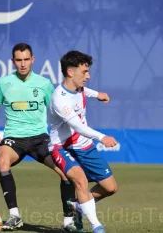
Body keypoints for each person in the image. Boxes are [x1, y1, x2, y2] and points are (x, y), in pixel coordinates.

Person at [0, 43, 86, 232]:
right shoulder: (4, 83)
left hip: (40, 138)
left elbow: (57, 108)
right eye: (18, 60)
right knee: (2, 160)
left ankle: (68, 221)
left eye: (26, 59)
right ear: (13, 61)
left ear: (32, 60)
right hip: (14, 138)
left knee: (66, 173)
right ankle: (14, 216)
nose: (22, 64)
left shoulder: (43, 84)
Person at [48, 51, 118, 233]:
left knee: (110, 188)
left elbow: (84, 91)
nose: (88, 76)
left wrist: (98, 94)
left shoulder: (78, 87)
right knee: (80, 181)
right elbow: (78, 126)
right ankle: (97, 226)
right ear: (70, 72)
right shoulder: (59, 98)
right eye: (84, 72)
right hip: (62, 147)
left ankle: (79, 206)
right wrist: (102, 137)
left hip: (85, 146)